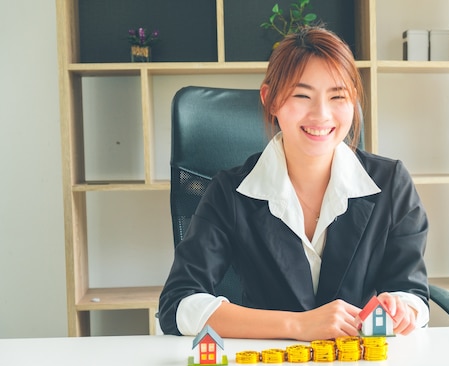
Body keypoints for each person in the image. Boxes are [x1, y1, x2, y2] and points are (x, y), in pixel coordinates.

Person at [158, 26, 429, 341]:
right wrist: (298, 326)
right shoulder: (230, 192)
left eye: (337, 96)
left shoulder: (391, 184)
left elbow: (413, 293)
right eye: (302, 95)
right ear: (270, 100)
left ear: (353, 101)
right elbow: (178, 304)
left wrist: (402, 308)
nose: (321, 114)